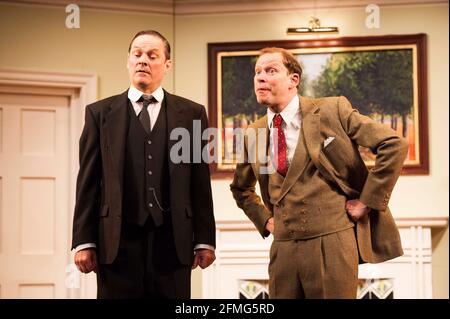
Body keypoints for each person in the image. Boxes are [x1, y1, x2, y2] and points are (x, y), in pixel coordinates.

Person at [230, 47, 408, 299]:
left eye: (271, 70)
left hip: (333, 244)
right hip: (283, 250)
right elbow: (241, 188)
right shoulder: (254, 133)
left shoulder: (332, 110)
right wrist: (265, 220)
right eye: (257, 72)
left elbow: (394, 144)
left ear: (294, 80)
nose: (260, 77)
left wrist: (367, 202)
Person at [72, 30, 216, 298]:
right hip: (116, 244)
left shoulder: (193, 114)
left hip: (173, 242)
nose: (143, 61)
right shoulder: (99, 114)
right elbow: (88, 182)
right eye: (137, 55)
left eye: (152, 55)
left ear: (167, 65)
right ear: (128, 61)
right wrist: (83, 240)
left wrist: (205, 239)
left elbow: (199, 181)